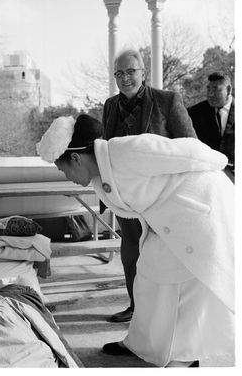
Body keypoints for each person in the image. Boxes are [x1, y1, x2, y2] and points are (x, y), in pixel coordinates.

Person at [36, 114, 234, 367]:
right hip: (167, 221)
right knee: (148, 276)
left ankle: (185, 357)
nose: (67, 177)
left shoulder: (127, 150)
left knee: (190, 285)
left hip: (202, 210)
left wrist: (223, 162)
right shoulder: (99, 172)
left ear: (75, 158)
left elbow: (192, 150)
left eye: (63, 170)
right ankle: (142, 344)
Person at [101, 49, 197, 323]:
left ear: (143, 73)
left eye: (131, 71)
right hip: (125, 198)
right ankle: (135, 307)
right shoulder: (110, 105)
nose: (125, 78)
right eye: (119, 73)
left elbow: (190, 145)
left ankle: (166, 314)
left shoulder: (167, 101)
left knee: (162, 256)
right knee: (131, 254)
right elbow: (106, 148)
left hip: (161, 198)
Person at [187, 72, 235, 182]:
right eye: (208, 89)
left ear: (228, 90)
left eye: (216, 90)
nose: (210, 94)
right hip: (205, 177)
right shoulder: (193, 113)